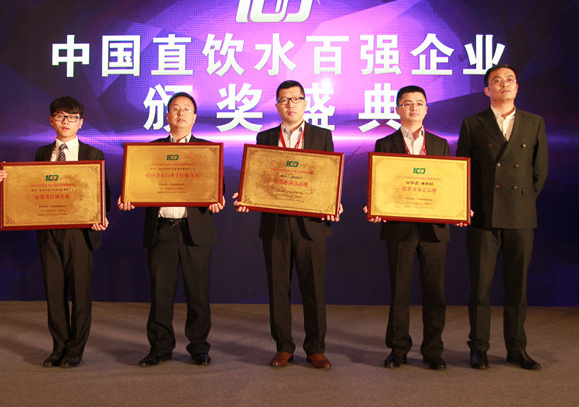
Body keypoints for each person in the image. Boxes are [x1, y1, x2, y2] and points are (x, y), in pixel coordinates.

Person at [234, 80, 342, 369]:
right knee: (278, 287)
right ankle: (283, 347)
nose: (290, 104)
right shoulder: (265, 137)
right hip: (276, 224)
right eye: (284, 100)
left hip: (311, 224)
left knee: (314, 288)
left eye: (296, 99)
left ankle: (315, 349)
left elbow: (328, 176)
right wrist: (248, 196)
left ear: (305, 103)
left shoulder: (322, 135)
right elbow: (259, 178)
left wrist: (333, 201)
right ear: (277, 106)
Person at [0, 96, 110, 367]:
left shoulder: (93, 154)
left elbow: (102, 192)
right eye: (60, 116)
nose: (66, 121)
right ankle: (58, 347)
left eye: (72, 117)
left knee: (80, 293)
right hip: (48, 231)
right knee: (54, 292)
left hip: (79, 233)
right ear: (51, 120)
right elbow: (32, 189)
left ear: (80, 122)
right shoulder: (42, 153)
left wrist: (101, 215)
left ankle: (75, 349)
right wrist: (8, 182)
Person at [118, 92, 225, 367]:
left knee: (198, 294)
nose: (181, 113)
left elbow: (217, 189)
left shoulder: (208, 151)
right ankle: (160, 348)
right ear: (167, 115)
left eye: (186, 109)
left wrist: (217, 199)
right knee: (160, 294)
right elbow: (138, 185)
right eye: (175, 109)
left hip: (195, 232)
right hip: (162, 230)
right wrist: (129, 196)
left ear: (194, 117)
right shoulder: (150, 151)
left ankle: (199, 347)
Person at [456, 64, 548, 370]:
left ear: (517, 87)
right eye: (497, 80)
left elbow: (539, 171)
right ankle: (478, 348)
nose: (504, 84)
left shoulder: (534, 122)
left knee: (517, 288)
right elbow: (463, 170)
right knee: (480, 288)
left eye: (510, 80)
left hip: (520, 216)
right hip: (484, 216)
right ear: (487, 89)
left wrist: (522, 201)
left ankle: (517, 348)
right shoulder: (473, 123)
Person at [363, 86, 450, 370]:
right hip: (399, 228)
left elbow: (448, 184)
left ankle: (433, 351)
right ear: (398, 109)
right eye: (407, 103)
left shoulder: (440, 144)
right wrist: (375, 206)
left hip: (434, 228)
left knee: (435, 292)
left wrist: (459, 208)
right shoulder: (385, 144)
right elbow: (381, 184)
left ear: (426, 109)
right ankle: (398, 349)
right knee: (399, 291)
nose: (414, 108)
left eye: (419, 103)